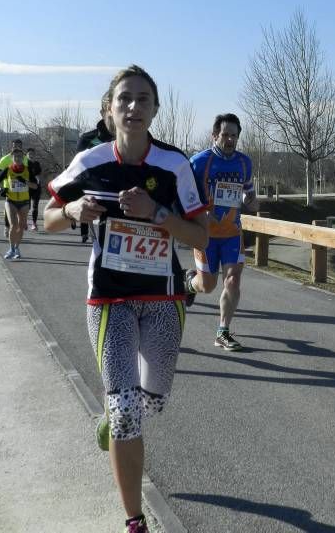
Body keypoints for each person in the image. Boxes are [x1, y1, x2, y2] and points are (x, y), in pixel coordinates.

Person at [44, 65, 208, 533]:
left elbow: (200, 232)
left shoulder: (175, 166)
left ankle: (113, 418)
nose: (133, 107)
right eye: (124, 99)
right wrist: (72, 210)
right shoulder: (92, 161)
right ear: (109, 108)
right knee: (125, 411)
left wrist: (157, 213)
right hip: (109, 300)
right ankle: (134, 519)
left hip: (161, 299)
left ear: (155, 109)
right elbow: (48, 215)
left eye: (143, 99)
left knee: (151, 402)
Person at [184, 113, 259, 351]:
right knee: (207, 286)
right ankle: (188, 284)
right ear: (214, 135)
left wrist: (251, 200)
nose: (229, 140)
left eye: (234, 136)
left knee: (233, 280)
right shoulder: (198, 162)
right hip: (204, 234)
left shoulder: (244, 162)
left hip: (232, 234)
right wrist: (196, 212)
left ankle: (223, 331)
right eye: (225, 135)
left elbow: (248, 191)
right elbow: (183, 195)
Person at [75, 92, 115, 242]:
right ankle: (85, 233)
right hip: (95, 194)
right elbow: (77, 170)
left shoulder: (135, 139)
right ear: (103, 112)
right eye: (109, 109)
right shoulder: (87, 138)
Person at [0, 148, 35, 259]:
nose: (17, 159)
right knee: (13, 225)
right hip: (11, 200)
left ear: (23, 158)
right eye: (15, 157)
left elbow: (35, 186)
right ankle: (11, 249)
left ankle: (17, 248)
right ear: (12, 158)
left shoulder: (28, 169)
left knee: (21, 226)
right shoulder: (7, 170)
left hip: (24, 202)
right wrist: (0, 189)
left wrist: (25, 181)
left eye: (20, 157)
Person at [0, 139, 29, 237]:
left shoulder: (26, 159)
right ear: (12, 147)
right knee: (9, 210)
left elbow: (31, 173)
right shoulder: (5, 159)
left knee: (23, 209)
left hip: (24, 188)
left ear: (22, 147)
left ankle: (21, 223)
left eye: (19, 146)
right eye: (14, 146)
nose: (16, 148)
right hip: (9, 188)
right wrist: (0, 188)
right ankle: (7, 227)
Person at [26, 148, 43, 231]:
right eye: (29, 154)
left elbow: (39, 174)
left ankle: (34, 223)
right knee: (27, 206)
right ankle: (24, 222)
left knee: (35, 206)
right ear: (27, 155)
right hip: (27, 187)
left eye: (33, 154)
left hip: (36, 187)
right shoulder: (25, 164)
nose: (31, 155)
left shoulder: (37, 163)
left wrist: (38, 179)